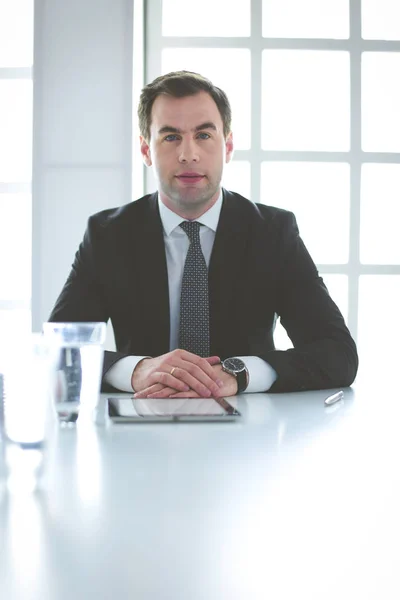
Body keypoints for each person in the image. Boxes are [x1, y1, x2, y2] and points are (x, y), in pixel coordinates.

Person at [49, 70, 358, 398]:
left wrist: (239, 374)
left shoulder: (272, 232)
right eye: (170, 137)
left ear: (228, 146)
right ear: (145, 151)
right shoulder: (108, 235)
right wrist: (137, 370)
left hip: (253, 430)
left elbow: (337, 353)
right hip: (139, 424)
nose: (188, 154)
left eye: (204, 135)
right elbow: (57, 352)